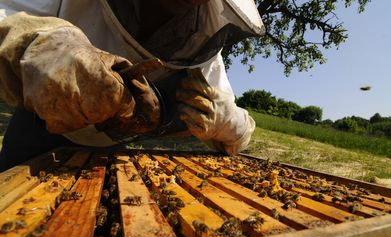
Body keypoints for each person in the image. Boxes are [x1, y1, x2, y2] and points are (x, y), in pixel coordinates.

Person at [0, 0, 265, 171]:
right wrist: (45, 49)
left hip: (107, 153)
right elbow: (7, 16)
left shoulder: (202, 42)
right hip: (37, 129)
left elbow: (239, 133)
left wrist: (225, 120)